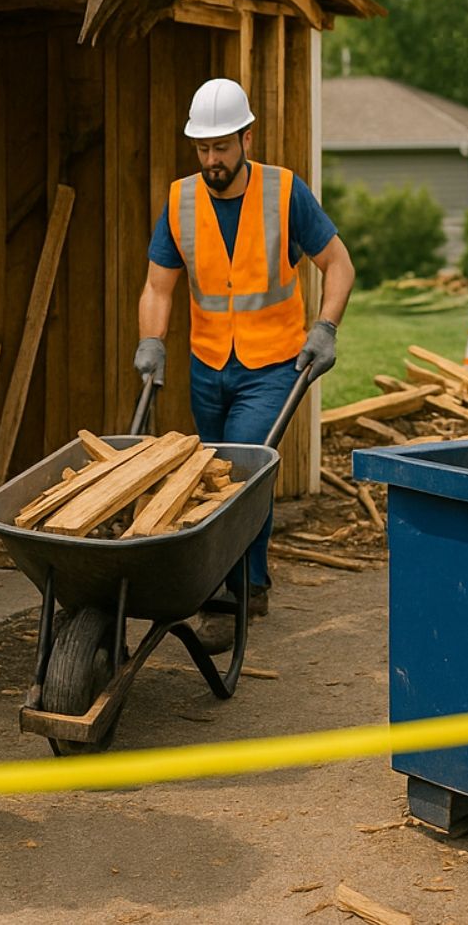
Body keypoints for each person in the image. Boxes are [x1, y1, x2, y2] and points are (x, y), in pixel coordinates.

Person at [135, 77, 356, 651]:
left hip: (274, 363)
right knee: (219, 476)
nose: (212, 161)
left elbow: (338, 263)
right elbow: (159, 286)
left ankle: (228, 598)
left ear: (247, 139)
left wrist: (325, 328)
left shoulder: (285, 193)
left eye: (222, 148)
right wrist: (151, 341)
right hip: (209, 364)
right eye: (203, 150)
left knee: (237, 474)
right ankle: (252, 584)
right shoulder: (181, 199)